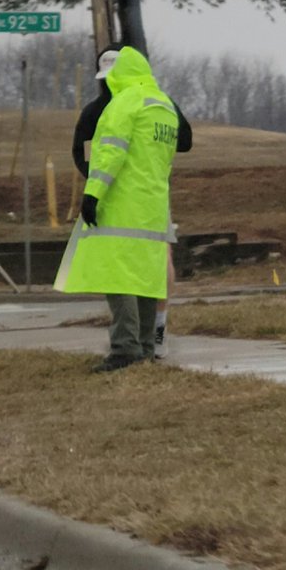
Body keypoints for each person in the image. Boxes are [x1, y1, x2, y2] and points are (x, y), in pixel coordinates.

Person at [55, 45, 182, 371]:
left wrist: (92, 194)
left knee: (119, 279)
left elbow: (110, 154)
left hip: (121, 203)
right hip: (152, 207)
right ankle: (142, 345)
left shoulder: (124, 103)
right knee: (145, 280)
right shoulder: (164, 105)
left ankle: (124, 349)